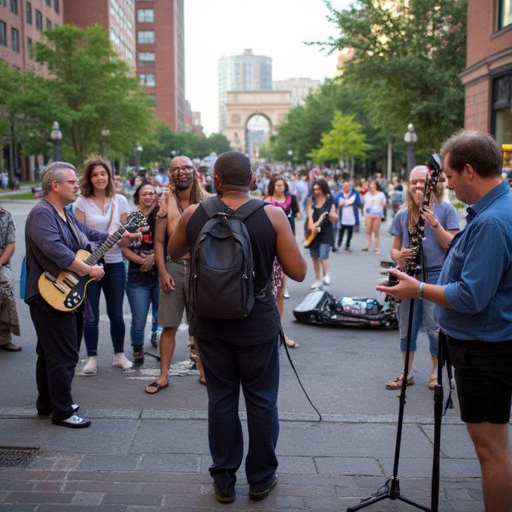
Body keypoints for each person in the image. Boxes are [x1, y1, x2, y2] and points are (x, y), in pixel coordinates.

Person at [377, 130, 512, 512]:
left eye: (450, 176)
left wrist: (417, 289)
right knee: (492, 449)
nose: (447, 184)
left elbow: (470, 295)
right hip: (483, 346)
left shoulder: (492, 221)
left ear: (469, 170)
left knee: (490, 451)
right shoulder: (492, 211)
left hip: (485, 351)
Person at [168, 151, 306, 504]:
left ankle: (224, 480)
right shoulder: (272, 215)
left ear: (214, 180)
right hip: (256, 321)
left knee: (221, 400)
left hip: (210, 322)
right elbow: (298, 271)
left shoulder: (194, 213)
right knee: (261, 401)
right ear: (254, 179)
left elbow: (174, 250)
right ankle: (261, 479)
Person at [24, 162, 134, 428]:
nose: (77, 186)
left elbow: (90, 234)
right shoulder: (42, 213)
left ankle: (47, 402)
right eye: (72, 182)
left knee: (49, 352)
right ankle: (62, 411)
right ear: (55, 186)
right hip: (50, 295)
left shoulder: (64, 212)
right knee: (64, 355)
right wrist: (89, 269)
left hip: (65, 293)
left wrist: (121, 235)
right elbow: (55, 250)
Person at [384, 165, 459, 390]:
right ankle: (406, 371)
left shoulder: (446, 210)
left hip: (436, 275)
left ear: (432, 184)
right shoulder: (402, 214)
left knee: (435, 327)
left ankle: (436, 372)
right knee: (407, 326)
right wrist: (401, 256)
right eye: (413, 182)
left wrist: (434, 223)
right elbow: (394, 250)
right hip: (410, 274)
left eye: (422, 181)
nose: (417, 186)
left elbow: (452, 246)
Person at [146, 155, 208, 394]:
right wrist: (162, 271)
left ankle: (204, 373)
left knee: (200, 326)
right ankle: (163, 376)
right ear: (170, 174)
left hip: (200, 271)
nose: (181, 172)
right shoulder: (164, 204)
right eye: (176, 169)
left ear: (194, 171)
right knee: (169, 326)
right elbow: (159, 243)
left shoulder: (208, 202)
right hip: (172, 268)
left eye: (186, 168)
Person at [74, 158, 132, 375]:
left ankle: (119, 355)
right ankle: (91, 358)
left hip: (115, 264)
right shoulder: (82, 202)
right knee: (91, 315)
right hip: (89, 266)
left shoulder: (122, 201)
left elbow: (128, 236)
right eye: (95, 174)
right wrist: (100, 242)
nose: (100, 177)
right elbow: (78, 236)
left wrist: (126, 237)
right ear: (89, 178)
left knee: (116, 313)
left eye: (103, 173)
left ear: (109, 176)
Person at [122, 181, 160, 366]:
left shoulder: (161, 216)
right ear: (138, 197)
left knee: (160, 315)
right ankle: (137, 347)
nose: (149, 196)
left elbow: (167, 244)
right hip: (137, 277)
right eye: (145, 193)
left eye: (152, 193)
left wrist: (153, 257)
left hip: (159, 274)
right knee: (138, 317)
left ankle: (156, 333)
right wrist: (142, 261)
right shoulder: (132, 218)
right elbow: (124, 248)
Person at [265, 175, 300, 347]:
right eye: (277, 184)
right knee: (269, 292)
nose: (280, 187)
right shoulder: (266, 202)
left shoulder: (290, 200)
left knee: (280, 292)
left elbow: (294, 221)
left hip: (285, 248)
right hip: (270, 250)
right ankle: (268, 333)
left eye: (282, 184)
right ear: (273, 186)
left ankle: (279, 333)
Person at [306, 178, 338, 288]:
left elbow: (334, 215)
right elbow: (309, 213)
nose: (316, 191)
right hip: (313, 231)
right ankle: (317, 279)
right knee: (314, 256)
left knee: (323, 255)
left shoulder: (330, 200)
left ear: (323, 188)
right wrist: (310, 224)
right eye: (314, 189)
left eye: (318, 189)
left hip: (326, 230)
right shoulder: (311, 200)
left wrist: (334, 216)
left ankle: (326, 274)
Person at [0, 206, 21, 352]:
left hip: (1, 264)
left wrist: (0, 263)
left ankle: (4, 339)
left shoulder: (5, 215)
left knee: (6, 290)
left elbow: (10, 245)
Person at [362, 180, 387, 254]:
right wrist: (364, 214)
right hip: (368, 214)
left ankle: (376, 247)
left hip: (377, 214)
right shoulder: (367, 194)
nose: (371, 185)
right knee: (368, 230)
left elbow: (384, 203)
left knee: (376, 231)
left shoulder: (381, 194)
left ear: (376, 186)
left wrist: (382, 204)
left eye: (372, 184)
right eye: (370, 184)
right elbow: (365, 204)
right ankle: (367, 245)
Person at [334, 181, 358, 252]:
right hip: (342, 217)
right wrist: (340, 204)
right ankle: (338, 245)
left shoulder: (353, 194)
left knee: (350, 231)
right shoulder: (339, 194)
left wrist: (348, 203)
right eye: (345, 186)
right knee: (341, 231)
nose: (346, 188)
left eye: (347, 186)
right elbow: (336, 203)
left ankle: (347, 245)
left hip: (351, 216)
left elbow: (356, 202)